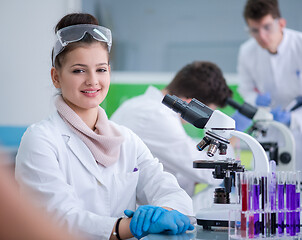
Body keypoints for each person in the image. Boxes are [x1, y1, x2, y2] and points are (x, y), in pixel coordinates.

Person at [15, 13, 193, 240]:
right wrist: (130, 227)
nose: (93, 81)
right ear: (56, 77)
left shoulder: (127, 139)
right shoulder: (40, 139)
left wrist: (165, 212)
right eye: (79, 70)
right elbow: (58, 218)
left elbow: (169, 189)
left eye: (101, 69)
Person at [236, 0, 302, 182]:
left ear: (281, 23)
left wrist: (294, 118)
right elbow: (245, 89)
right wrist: (255, 99)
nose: (262, 36)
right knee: (266, 188)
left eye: (267, 27)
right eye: (254, 30)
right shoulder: (247, 52)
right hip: (271, 130)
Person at [111, 61, 233, 196]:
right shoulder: (158, 115)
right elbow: (211, 173)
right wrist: (229, 142)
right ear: (192, 105)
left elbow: (172, 167)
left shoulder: (137, 104)